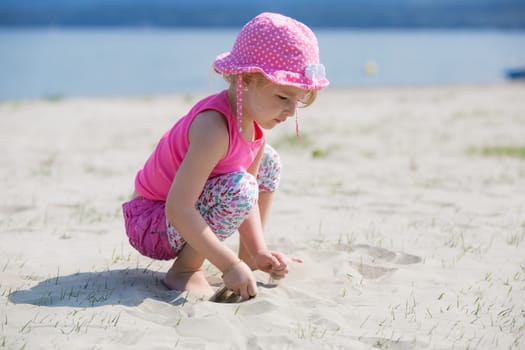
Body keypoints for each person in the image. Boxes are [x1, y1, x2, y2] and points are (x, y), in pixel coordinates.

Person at [122, 12, 329, 300]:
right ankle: (185, 271)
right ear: (245, 80)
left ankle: (249, 258)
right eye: (283, 97)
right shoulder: (213, 128)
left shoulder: (255, 129)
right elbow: (177, 207)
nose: (291, 111)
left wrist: (258, 252)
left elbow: (249, 201)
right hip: (150, 222)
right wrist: (227, 265)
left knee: (267, 162)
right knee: (241, 186)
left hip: (179, 218)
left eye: (297, 100)